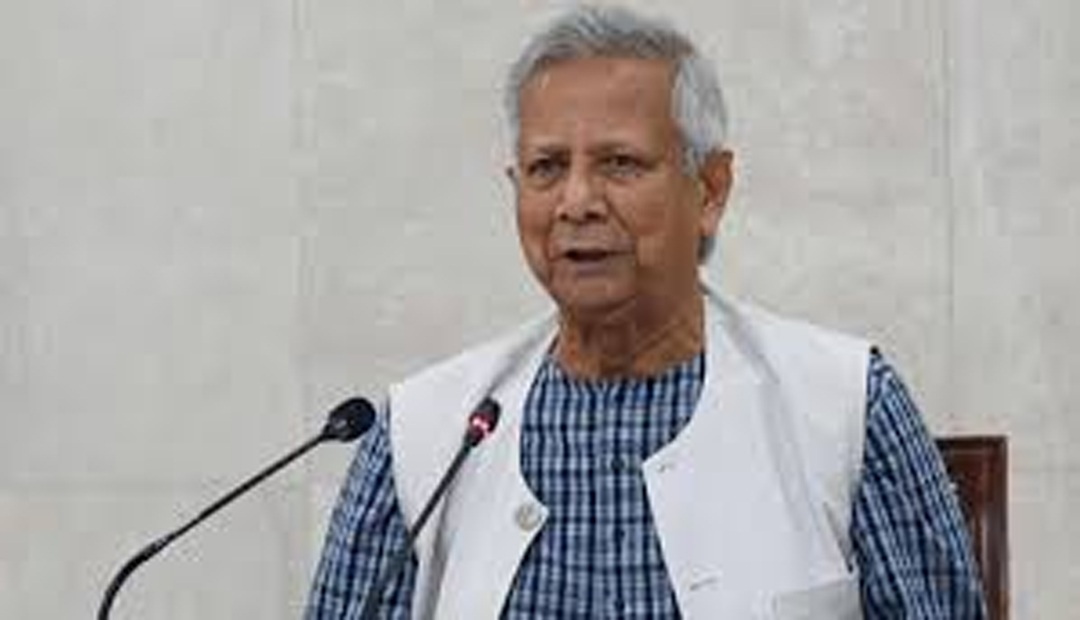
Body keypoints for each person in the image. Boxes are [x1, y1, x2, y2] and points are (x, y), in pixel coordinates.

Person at [306, 5, 987, 619]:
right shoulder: (425, 434)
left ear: (710, 189)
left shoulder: (847, 406)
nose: (577, 202)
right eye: (546, 167)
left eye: (620, 163)